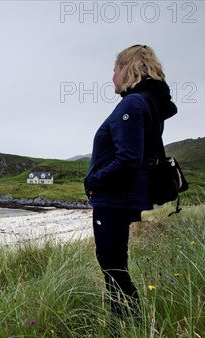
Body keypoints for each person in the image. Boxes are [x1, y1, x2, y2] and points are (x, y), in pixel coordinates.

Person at [83, 44, 178, 317]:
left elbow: (128, 158)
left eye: (114, 69)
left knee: (111, 265)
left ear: (128, 68)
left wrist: (93, 181)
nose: (112, 76)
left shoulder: (133, 103)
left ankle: (124, 326)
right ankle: (126, 323)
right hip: (122, 195)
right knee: (115, 263)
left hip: (114, 196)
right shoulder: (145, 102)